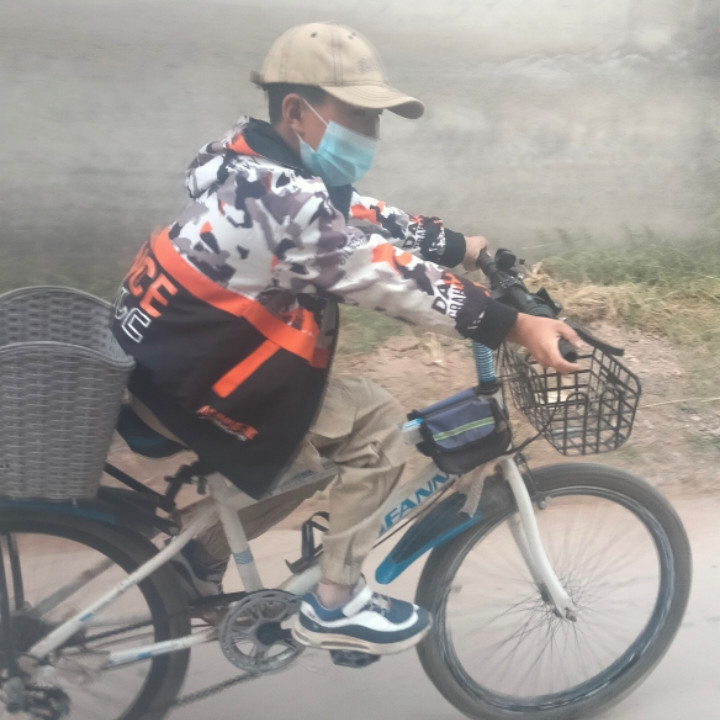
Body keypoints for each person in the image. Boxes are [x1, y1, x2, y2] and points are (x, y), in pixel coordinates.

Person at [112, 21, 579, 656]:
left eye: (375, 119)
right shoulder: (284, 202)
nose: (371, 133)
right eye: (359, 115)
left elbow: (355, 213)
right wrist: (515, 325)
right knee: (375, 424)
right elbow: (379, 274)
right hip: (195, 381)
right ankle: (336, 603)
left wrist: (453, 246)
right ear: (296, 112)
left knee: (311, 447)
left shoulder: (244, 162)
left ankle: (199, 557)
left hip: (167, 361)